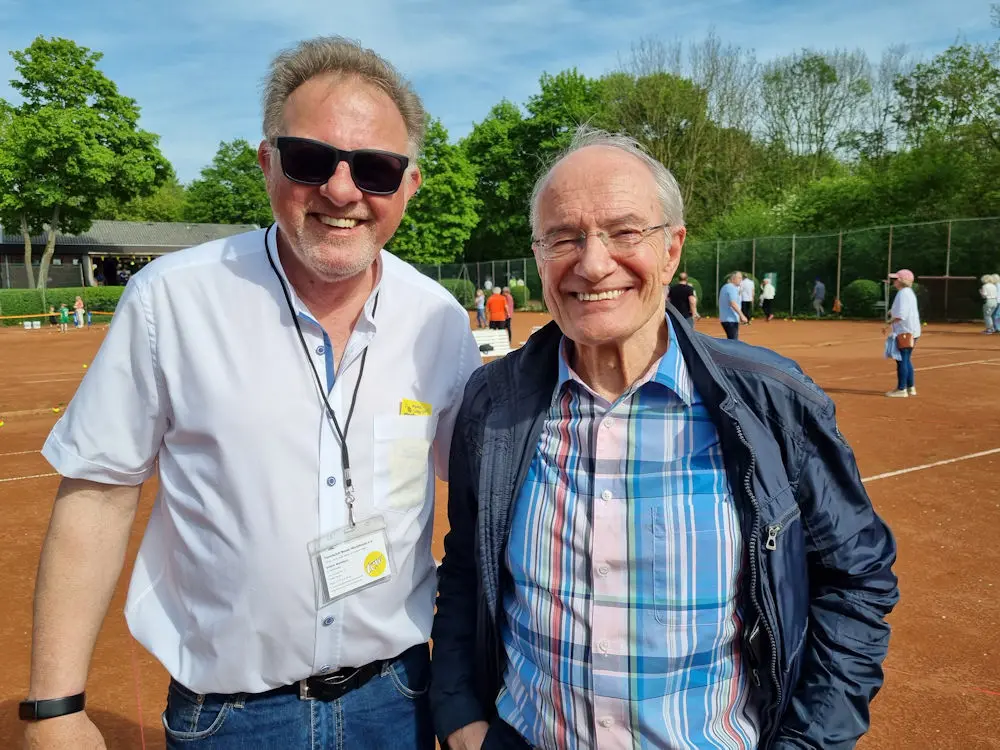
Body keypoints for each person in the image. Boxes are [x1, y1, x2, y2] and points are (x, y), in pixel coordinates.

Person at [21, 36, 481, 750]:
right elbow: (100, 491)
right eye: (308, 159)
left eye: (376, 169)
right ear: (266, 161)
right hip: (232, 717)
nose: (340, 190)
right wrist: (56, 708)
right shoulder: (171, 301)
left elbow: (483, 503)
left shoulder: (440, 322)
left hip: (399, 698)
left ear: (409, 185)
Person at [430, 125, 898, 750]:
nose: (593, 263)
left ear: (673, 248)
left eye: (625, 231)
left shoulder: (772, 401)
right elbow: (467, 567)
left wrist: (808, 743)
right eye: (563, 237)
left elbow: (856, 578)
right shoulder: (493, 404)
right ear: (538, 256)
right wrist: (461, 715)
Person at [883, 269, 921, 398]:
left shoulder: (903, 293)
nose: (894, 281)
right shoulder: (907, 292)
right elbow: (900, 310)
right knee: (906, 359)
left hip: (905, 331)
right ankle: (910, 387)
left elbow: (901, 314)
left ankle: (901, 389)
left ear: (902, 281)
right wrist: (892, 312)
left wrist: (888, 323)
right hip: (911, 330)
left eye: (896, 279)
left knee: (901, 360)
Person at [718, 270, 748, 340]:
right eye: (739, 278)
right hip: (731, 319)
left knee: (731, 341)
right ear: (733, 278)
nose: (741, 280)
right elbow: (733, 303)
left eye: (741, 278)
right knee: (733, 342)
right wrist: (742, 316)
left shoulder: (725, 287)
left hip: (726, 319)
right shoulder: (731, 288)